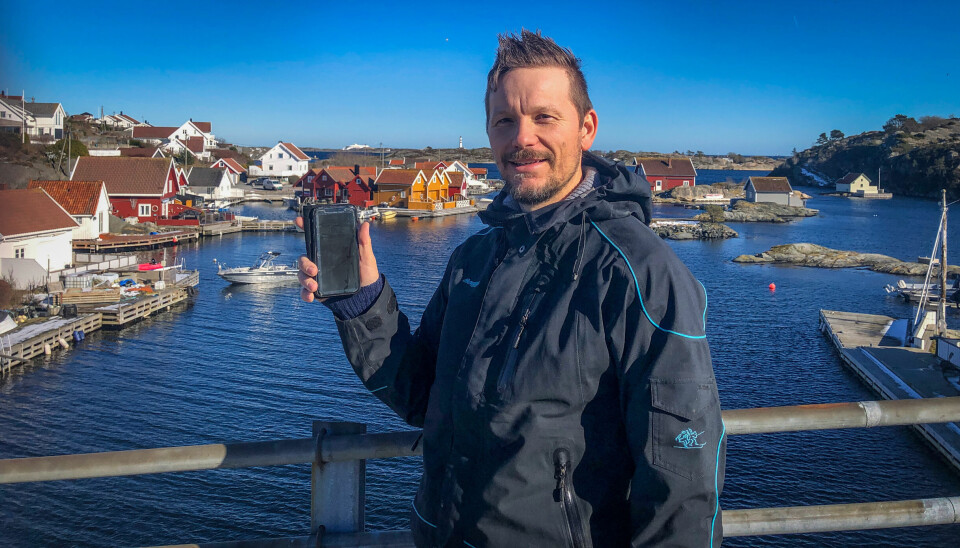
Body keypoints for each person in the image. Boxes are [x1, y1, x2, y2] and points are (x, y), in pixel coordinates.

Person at [298, 30, 725, 548]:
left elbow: (682, 483)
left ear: (586, 129)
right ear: (489, 132)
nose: (523, 137)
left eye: (544, 117)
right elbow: (421, 396)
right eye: (505, 121)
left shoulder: (639, 271)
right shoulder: (473, 259)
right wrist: (362, 302)